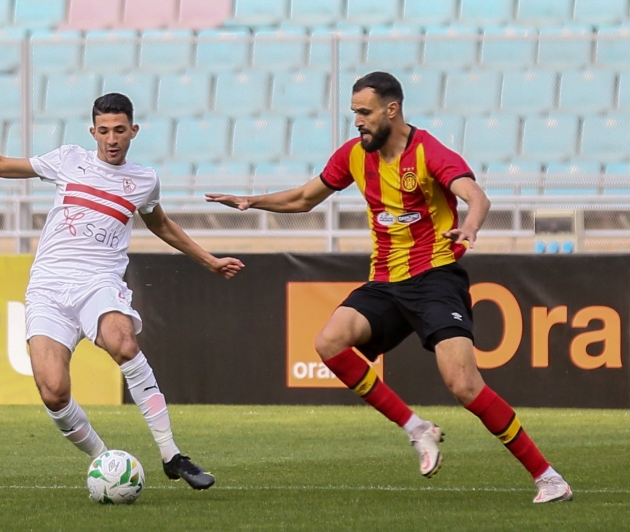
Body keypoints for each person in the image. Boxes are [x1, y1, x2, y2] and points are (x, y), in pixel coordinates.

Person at [206, 72, 572, 504]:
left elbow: (478, 197)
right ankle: (416, 428)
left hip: (435, 277)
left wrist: (468, 228)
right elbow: (305, 199)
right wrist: (252, 202)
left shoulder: (429, 153)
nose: (357, 122)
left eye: (364, 112)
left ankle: (548, 478)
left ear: (391, 110)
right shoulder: (354, 155)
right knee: (330, 342)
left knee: (464, 386)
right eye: (354, 113)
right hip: (386, 281)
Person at [0, 92, 244, 491]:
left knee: (124, 344)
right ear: (92, 132)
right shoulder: (69, 160)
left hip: (98, 281)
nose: (112, 139)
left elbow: (161, 224)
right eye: (104, 131)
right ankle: (104, 462)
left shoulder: (144, 180)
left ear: (133, 131)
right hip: (48, 287)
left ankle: (172, 455)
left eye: (120, 130)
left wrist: (209, 260)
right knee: (53, 392)